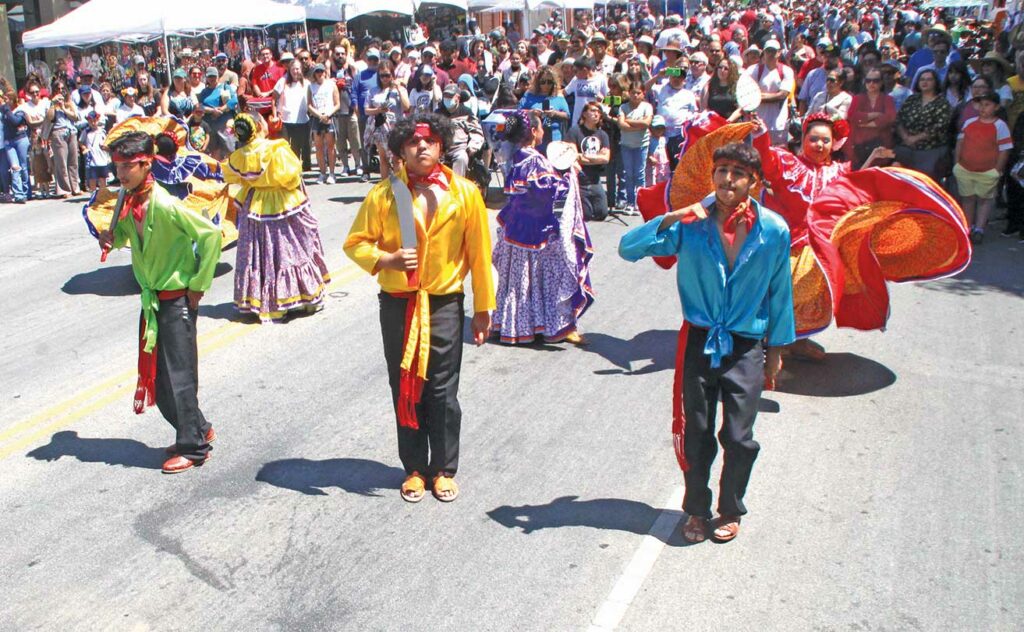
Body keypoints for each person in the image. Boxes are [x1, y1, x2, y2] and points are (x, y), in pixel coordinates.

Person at [618, 142, 795, 544]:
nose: (728, 179)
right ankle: (697, 510)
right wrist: (670, 218)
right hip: (699, 341)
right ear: (712, 176)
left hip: (746, 344)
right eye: (722, 171)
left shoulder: (773, 230)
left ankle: (730, 509)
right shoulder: (691, 223)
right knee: (697, 432)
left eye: (737, 173)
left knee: (738, 436)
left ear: (754, 182)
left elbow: (780, 292)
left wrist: (775, 353)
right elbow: (628, 249)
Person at [343, 113, 495, 503]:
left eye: (428, 140)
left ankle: (443, 469)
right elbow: (355, 243)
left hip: (444, 302)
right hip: (399, 303)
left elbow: (479, 254)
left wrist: (483, 308)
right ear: (401, 150)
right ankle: (413, 467)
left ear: (442, 145)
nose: (421, 147)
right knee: (405, 384)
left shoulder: (465, 193)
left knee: (442, 389)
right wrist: (386, 259)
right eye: (412, 142)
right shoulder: (385, 193)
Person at [96, 131, 221, 474]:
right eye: (117, 166)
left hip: (175, 299)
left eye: (128, 166)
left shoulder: (164, 204)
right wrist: (113, 236)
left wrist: (197, 286)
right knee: (159, 377)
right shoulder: (130, 199)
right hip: (152, 300)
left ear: (146, 164)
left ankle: (195, 448)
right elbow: (128, 237)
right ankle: (198, 427)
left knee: (178, 378)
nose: (121, 174)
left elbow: (210, 235)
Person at [753, 112, 893, 358]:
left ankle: (797, 341)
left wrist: (874, 158)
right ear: (803, 139)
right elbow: (764, 159)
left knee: (817, 296)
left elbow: (856, 186)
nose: (819, 145)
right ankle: (771, 341)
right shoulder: (789, 164)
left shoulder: (837, 172)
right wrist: (761, 133)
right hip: (789, 242)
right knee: (788, 291)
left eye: (825, 140)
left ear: (834, 143)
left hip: (823, 245)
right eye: (814, 139)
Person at [491, 110, 594, 345]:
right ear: (534, 132)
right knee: (559, 272)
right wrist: (569, 175)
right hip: (536, 233)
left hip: (514, 230)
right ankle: (555, 326)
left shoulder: (514, 156)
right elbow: (551, 192)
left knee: (518, 283)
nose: (544, 131)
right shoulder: (535, 160)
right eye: (541, 127)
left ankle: (513, 325)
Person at [224, 114, 331, 322]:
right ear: (258, 126)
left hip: (255, 203)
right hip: (282, 202)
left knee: (263, 252)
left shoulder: (240, 155)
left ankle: (270, 300)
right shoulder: (275, 149)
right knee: (292, 247)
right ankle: (304, 297)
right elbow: (291, 177)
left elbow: (232, 175)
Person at [953, 92, 1012, 245]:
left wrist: (997, 170)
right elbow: (960, 143)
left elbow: (1005, 149)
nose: (983, 108)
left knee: (985, 199)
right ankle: (968, 227)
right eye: (981, 104)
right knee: (968, 198)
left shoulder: (1000, 125)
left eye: (987, 105)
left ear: (996, 107)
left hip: (987, 171)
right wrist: (957, 163)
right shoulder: (970, 122)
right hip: (966, 168)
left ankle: (979, 228)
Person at [895, 68, 952, 180]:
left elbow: (940, 126)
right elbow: (899, 119)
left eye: (929, 79)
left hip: (930, 151)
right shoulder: (911, 99)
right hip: (906, 148)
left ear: (935, 82)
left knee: (924, 183)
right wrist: (906, 137)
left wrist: (915, 138)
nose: (925, 82)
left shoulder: (942, 103)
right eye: (922, 79)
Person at [363, 60, 409, 181]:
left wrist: (398, 88)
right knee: (383, 158)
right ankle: (385, 187)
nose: (384, 78)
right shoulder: (373, 91)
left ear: (392, 75)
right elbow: (366, 110)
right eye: (382, 75)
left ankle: (401, 187)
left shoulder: (398, 90)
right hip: (380, 128)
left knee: (397, 158)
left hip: (395, 129)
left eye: (387, 75)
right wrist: (378, 110)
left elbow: (407, 106)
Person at [567, 101, 610, 221]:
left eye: (598, 112)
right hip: (580, 179)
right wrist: (596, 157)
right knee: (586, 215)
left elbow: (605, 159)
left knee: (602, 214)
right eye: (592, 111)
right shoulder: (574, 131)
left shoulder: (603, 135)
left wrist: (583, 156)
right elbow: (573, 156)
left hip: (596, 180)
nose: (596, 114)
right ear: (584, 114)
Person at [745, 40, 794, 146]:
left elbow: (782, 95)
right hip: (758, 124)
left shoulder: (786, 71)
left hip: (778, 125)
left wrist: (757, 96)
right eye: (768, 51)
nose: (771, 54)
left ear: (779, 52)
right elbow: (746, 93)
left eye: (773, 51)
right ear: (764, 52)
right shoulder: (753, 70)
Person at [847, 68, 897, 168]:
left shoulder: (888, 99)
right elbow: (852, 116)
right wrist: (875, 115)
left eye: (876, 81)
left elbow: (890, 117)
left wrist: (867, 123)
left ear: (881, 82)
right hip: (858, 145)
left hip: (882, 144)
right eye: (868, 80)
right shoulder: (858, 98)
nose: (871, 83)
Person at [616, 81, 653, 213]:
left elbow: (646, 123)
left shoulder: (647, 107)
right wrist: (637, 125)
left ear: (643, 94)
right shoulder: (623, 107)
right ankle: (630, 202)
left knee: (639, 174)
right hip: (626, 145)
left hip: (641, 145)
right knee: (628, 174)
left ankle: (639, 202)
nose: (635, 95)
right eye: (633, 93)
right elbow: (621, 125)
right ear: (629, 93)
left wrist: (628, 121)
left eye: (638, 93)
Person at [518, 66, 571, 152]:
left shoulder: (558, 96)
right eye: (543, 82)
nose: (546, 85)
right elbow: (518, 111)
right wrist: (531, 112)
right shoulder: (529, 95)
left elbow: (567, 115)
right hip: (533, 138)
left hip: (553, 137)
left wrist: (554, 113)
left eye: (549, 82)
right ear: (538, 82)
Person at [272, 60, 311, 172]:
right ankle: (290, 169)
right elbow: (274, 98)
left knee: (299, 146)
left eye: (297, 68)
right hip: (286, 120)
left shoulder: (307, 83)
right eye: (293, 69)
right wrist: (275, 115)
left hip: (302, 120)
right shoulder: (282, 81)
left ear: (301, 69)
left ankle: (300, 169)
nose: (295, 71)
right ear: (289, 70)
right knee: (287, 147)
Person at [307, 63, 340, 184]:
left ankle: (332, 173)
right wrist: (318, 115)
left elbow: (337, 104)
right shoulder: (311, 86)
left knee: (331, 146)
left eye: (321, 71)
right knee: (319, 147)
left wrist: (328, 114)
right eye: (317, 72)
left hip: (329, 117)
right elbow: (309, 105)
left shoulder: (331, 85)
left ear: (325, 72)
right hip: (317, 118)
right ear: (314, 74)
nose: (320, 74)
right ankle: (322, 172)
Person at [78, 111, 109, 192]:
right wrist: (84, 148)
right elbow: (80, 141)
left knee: (102, 179)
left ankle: (103, 194)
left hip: (102, 158)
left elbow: (107, 143)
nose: (93, 123)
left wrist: (105, 147)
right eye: (90, 121)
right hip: (92, 159)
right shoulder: (86, 131)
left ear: (98, 120)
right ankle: (93, 195)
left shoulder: (102, 131)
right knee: (92, 178)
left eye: (95, 120)